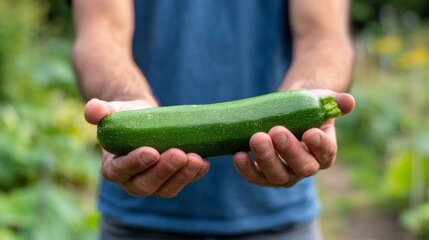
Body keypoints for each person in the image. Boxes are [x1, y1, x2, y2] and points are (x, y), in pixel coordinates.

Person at [71, 0, 355, 239]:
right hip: (135, 218)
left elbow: (325, 36)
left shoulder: (304, 107)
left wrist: (310, 89)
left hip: (280, 219)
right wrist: (125, 94)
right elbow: (100, 33)